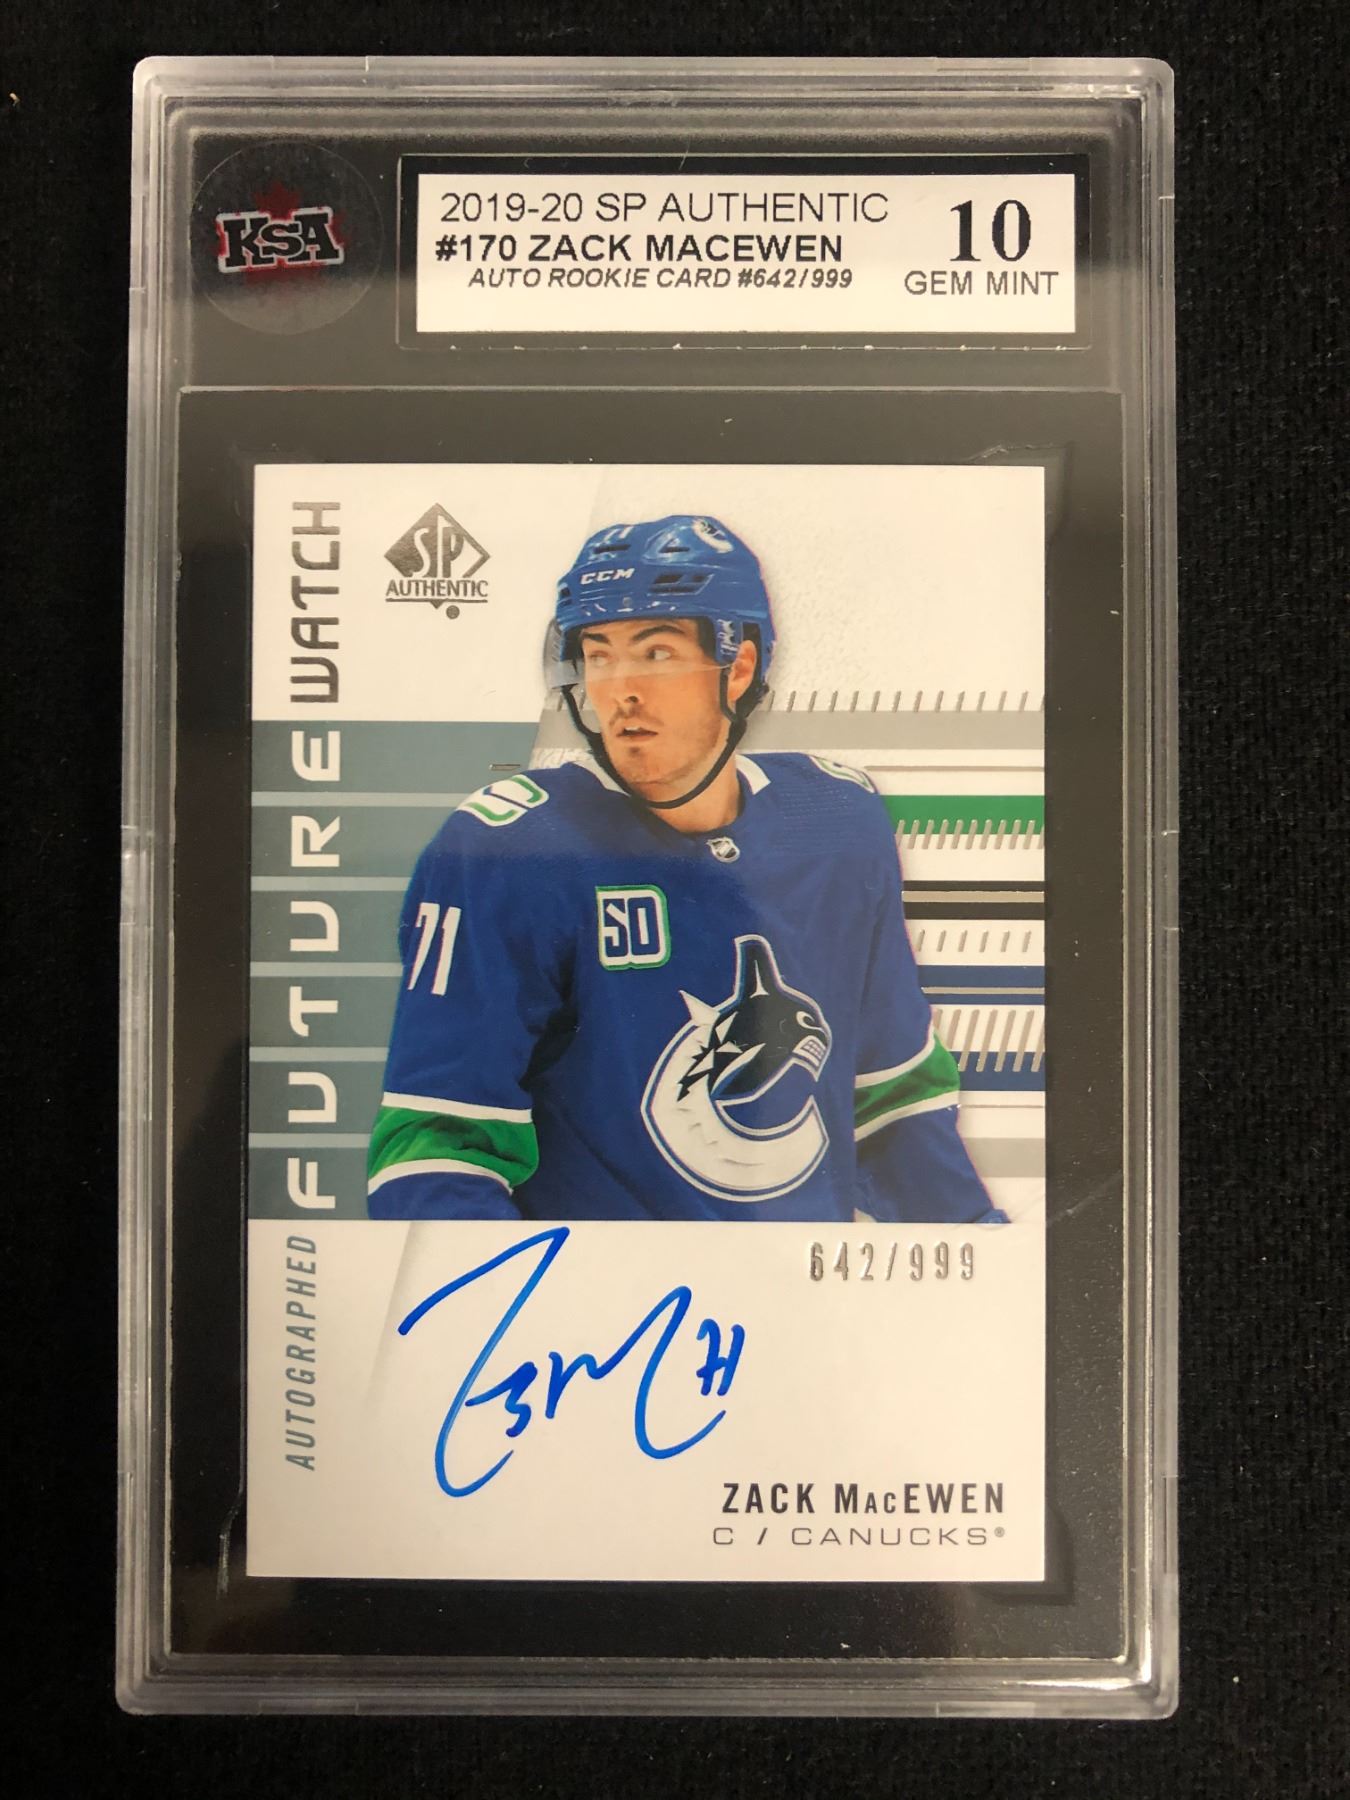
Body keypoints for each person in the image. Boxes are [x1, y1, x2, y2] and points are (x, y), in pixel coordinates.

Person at [367, 514, 1003, 1223]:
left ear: (739, 667)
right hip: (606, 1295)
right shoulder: (506, 851)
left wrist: (987, 1258)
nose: (621, 691)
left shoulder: (838, 822)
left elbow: (894, 1107)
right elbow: (434, 1157)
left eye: (658, 653)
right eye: (599, 656)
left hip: (800, 1287)